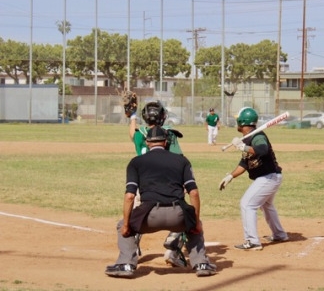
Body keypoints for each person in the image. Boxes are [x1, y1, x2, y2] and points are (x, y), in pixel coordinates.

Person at [105, 126, 216, 278]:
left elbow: (130, 196)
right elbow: (194, 192)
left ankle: (126, 264)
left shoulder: (136, 162)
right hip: (178, 215)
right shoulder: (181, 160)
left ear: (147, 142)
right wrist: (195, 221)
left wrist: (126, 225)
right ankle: (201, 263)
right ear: (165, 142)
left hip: (149, 215)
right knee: (195, 225)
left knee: (121, 225)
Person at [218, 107, 288, 251]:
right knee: (266, 205)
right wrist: (230, 176)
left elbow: (262, 150)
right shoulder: (249, 138)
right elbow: (245, 163)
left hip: (268, 177)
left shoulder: (258, 137)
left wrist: (243, 147)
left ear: (242, 122)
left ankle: (252, 241)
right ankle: (279, 234)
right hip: (269, 177)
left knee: (247, 204)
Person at [127, 101, 185, 267]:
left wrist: (132, 116)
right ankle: (173, 249)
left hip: (142, 183)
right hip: (167, 184)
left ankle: (131, 254)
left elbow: (132, 133)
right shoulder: (168, 134)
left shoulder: (140, 134)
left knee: (136, 218)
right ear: (162, 117)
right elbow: (179, 159)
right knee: (184, 213)